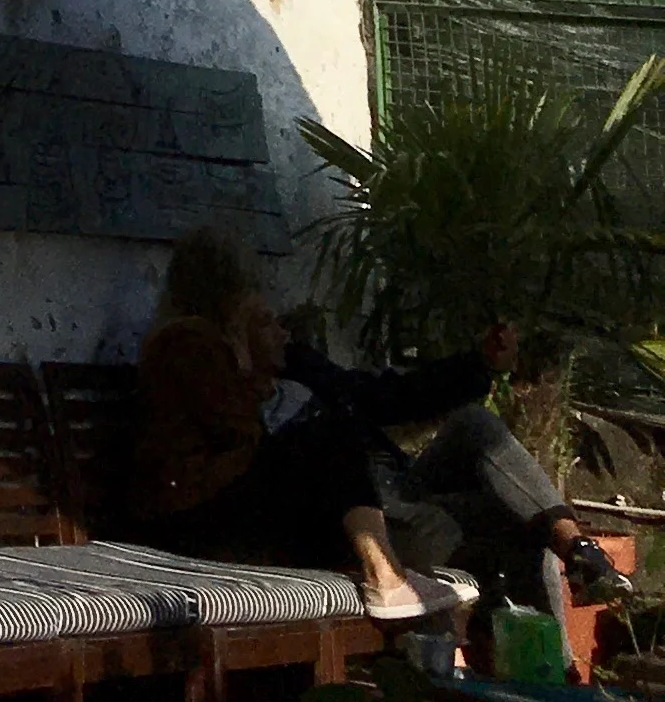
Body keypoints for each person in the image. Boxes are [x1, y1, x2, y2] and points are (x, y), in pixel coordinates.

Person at [129, 227, 624, 620]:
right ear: (231, 317)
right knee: (499, 525)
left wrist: (477, 365)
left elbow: (381, 396)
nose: (283, 331)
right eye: (265, 319)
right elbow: (248, 455)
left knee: (477, 430)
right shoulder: (198, 354)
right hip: (336, 514)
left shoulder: (295, 364)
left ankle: (575, 552)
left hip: (388, 490)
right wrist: (251, 378)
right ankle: (394, 582)